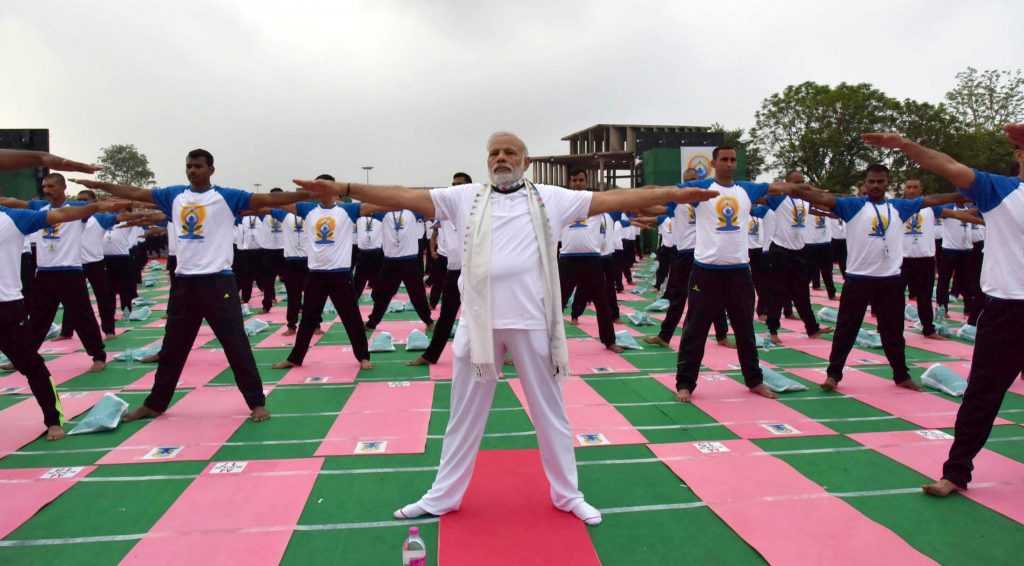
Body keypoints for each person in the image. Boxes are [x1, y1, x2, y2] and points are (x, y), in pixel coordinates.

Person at [293, 131, 716, 527]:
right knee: (462, 416)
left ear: (525, 161)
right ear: (486, 161)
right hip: (478, 324)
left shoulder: (551, 198)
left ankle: (567, 494)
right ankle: (443, 495)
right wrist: (346, 188)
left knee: (550, 413)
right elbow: (406, 195)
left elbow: (613, 199)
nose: (501, 158)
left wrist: (676, 194)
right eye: (494, 153)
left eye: (509, 152)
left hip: (531, 321)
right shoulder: (464, 197)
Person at [74, 148, 332, 422]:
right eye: (188, 166)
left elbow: (268, 198)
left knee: (236, 345)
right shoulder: (173, 195)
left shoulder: (226, 197)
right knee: (173, 347)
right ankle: (155, 404)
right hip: (185, 283)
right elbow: (136, 193)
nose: (192, 170)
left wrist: (309, 194)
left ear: (211, 169)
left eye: (197, 166)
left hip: (218, 281)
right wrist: (100, 184)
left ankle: (256, 402)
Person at [863, 126, 1024, 497]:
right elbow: (947, 165)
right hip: (1007, 311)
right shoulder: (998, 190)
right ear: (1018, 154)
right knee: (982, 395)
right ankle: (956, 473)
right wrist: (905, 144)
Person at [779, 164, 963, 392]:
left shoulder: (900, 207)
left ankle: (901, 375)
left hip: (890, 280)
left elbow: (931, 200)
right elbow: (821, 198)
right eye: (872, 182)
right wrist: (794, 189)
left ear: (888, 183)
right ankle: (833, 375)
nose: (876, 185)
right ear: (865, 184)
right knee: (846, 330)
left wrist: (961, 193)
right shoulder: (853, 205)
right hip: (858, 279)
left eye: (880, 181)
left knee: (893, 331)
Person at [0, 197, 125, 440]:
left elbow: (61, 216)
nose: (47, 190)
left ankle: (53, 419)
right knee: (39, 322)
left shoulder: (14, 218)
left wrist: (96, 207)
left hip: (7, 305)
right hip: (44, 275)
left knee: (33, 365)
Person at [271, 176, 393, 371]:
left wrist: (401, 201)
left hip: (340, 275)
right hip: (316, 275)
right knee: (308, 320)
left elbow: (377, 206)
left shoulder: (347, 210)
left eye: (323, 186)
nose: (319, 190)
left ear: (334, 189)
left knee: (351, 318)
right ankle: (295, 358)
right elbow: (279, 202)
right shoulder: (307, 209)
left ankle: (363, 356)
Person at [2, 174, 111, 373]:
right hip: (44, 272)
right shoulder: (39, 208)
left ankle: (98, 355)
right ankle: (23, 357)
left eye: (51, 186)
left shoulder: (77, 209)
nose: (47, 190)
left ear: (62, 187)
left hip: (70, 271)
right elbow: (15, 202)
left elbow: (100, 207)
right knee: (36, 319)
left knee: (82, 316)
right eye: (44, 186)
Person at [409, 172, 473, 367]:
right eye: (452, 184)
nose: (454, 187)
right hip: (453, 269)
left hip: (477, 270)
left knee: (489, 316)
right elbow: (424, 209)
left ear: (468, 187)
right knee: (446, 316)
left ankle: (503, 354)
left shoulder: (477, 209)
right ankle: (431, 355)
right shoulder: (444, 210)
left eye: (459, 184)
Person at [555, 168, 622, 352]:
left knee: (602, 302)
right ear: (570, 182)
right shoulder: (561, 202)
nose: (577, 183)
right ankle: (544, 343)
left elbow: (618, 202)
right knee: (556, 304)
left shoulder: (595, 201)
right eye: (574, 180)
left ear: (586, 181)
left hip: (592, 259)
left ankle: (609, 340)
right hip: (567, 259)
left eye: (581, 180)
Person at [763, 171, 830, 345]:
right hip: (780, 250)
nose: (800, 186)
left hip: (800, 251)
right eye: (796, 183)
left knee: (802, 293)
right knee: (777, 293)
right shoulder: (779, 199)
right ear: (788, 184)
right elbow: (765, 194)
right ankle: (773, 330)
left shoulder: (804, 201)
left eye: (802, 182)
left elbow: (820, 202)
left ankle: (812, 328)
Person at [56, 189, 118, 339]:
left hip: (95, 263)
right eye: (79, 200)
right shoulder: (71, 217)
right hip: (75, 264)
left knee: (103, 297)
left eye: (85, 200)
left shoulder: (100, 218)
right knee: (71, 298)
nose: (82, 203)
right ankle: (66, 331)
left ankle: (109, 330)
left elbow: (120, 217)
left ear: (93, 202)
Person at [364, 206, 435, 331]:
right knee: (382, 295)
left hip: (410, 260)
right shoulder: (384, 213)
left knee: (418, 294)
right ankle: (372, 323)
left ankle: (428, 321)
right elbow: (366, 210)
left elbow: (430, 211)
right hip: (391, 261)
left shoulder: (413, 212)